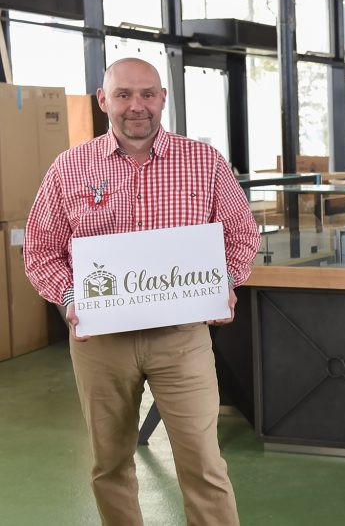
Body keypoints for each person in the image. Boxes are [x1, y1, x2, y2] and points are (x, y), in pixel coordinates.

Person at [24, 57, 260, 525]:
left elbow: (242, 233)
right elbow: (41, 249)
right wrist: (71, 300)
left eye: (148, 94)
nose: (138, 106)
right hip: (100, 344)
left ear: (163, 99)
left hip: (181, 339)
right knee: (110, 463)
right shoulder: (69, 168)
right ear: (103, 100)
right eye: (124, 95)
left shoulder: (203, 162)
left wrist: (225, 282)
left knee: (204, 463)